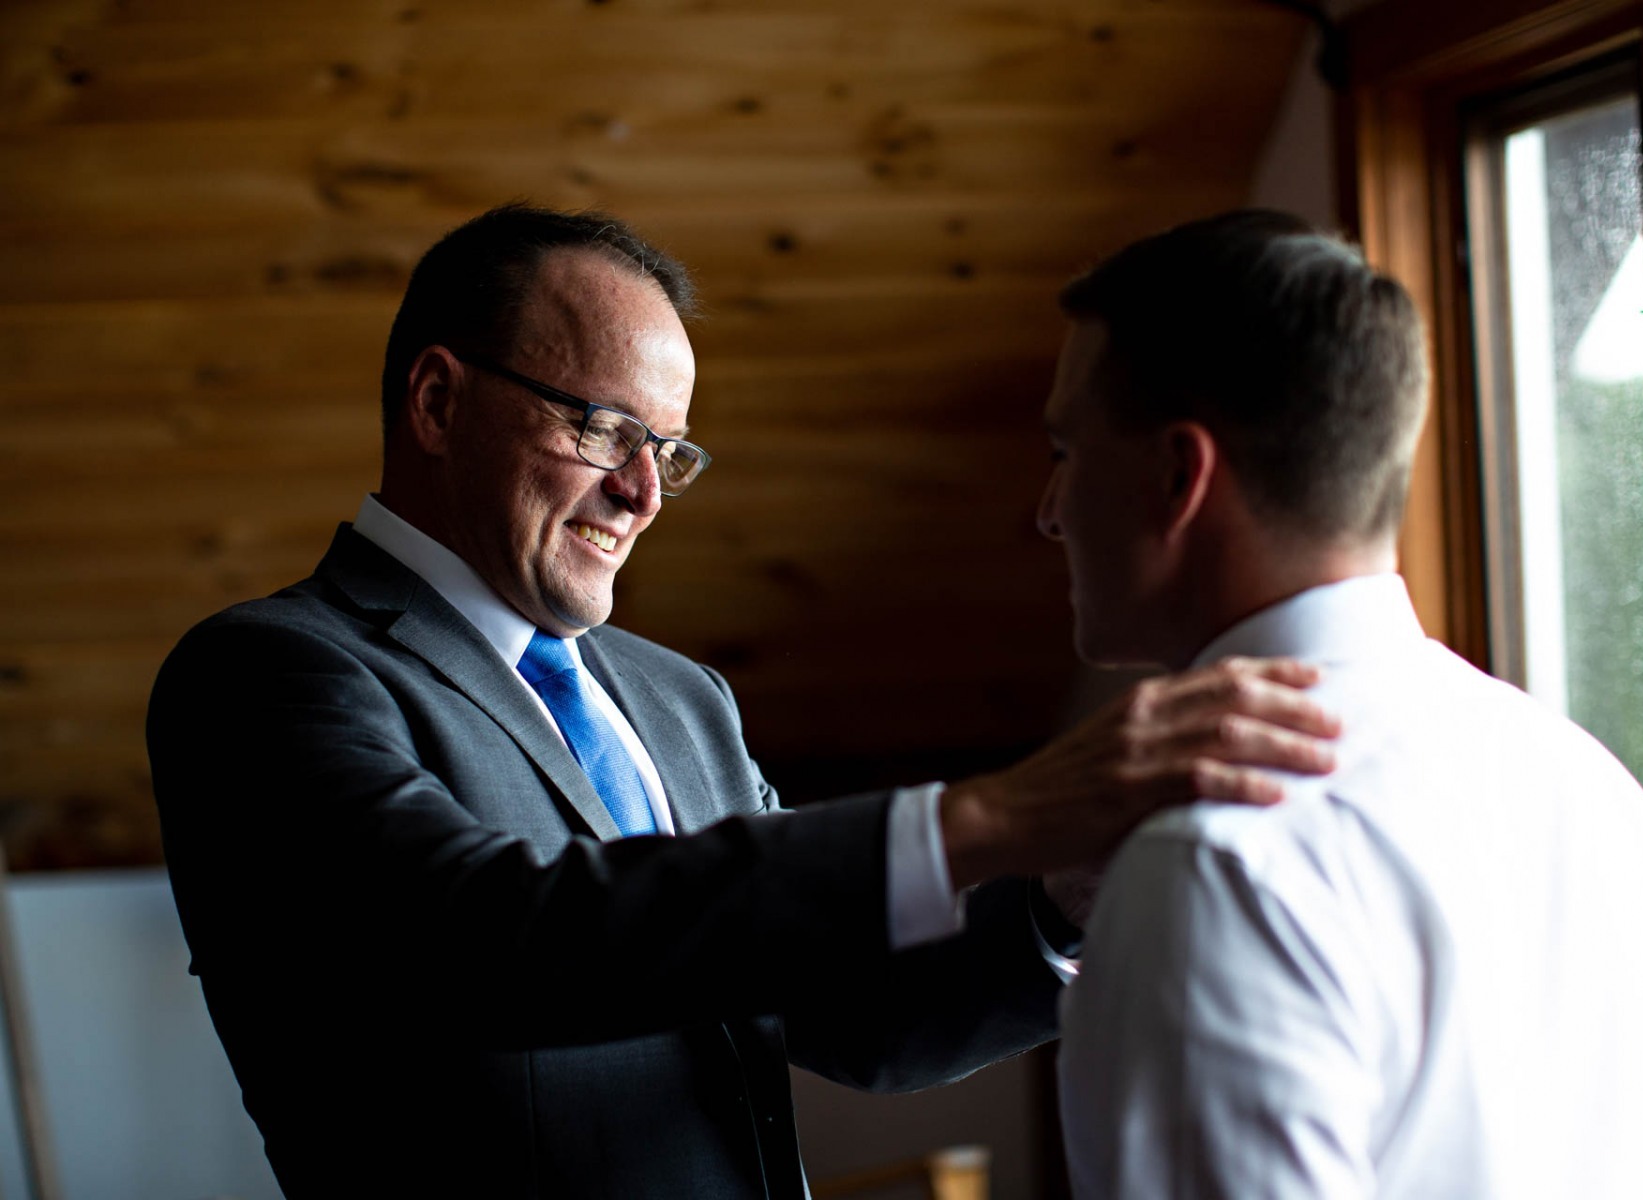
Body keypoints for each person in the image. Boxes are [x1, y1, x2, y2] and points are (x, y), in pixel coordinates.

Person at [146, 204, 1341, 1198]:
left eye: (670, 451)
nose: (641, 493)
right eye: (606, 429)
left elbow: (850, 1012)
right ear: (439, 402)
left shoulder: (680, 701)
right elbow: (493, 939)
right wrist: (983, 818)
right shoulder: (265, 676)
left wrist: (1056, 907)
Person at [1049, 211, 1643, 1198]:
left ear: (1178, 476)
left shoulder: (1219, 859)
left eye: (1067, 450)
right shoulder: (1592, 787)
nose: (1049, 510)